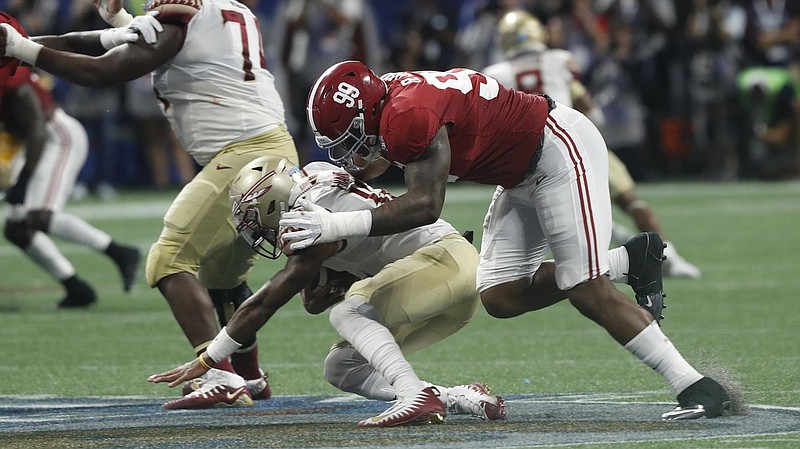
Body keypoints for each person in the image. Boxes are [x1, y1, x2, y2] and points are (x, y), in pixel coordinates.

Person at [280, 59, 733, 422]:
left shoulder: (407, 114)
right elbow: (382, 159)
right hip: (519, 171)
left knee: (586, 288)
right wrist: (347, 178)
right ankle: (630, 259)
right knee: (500, 295)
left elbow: (423, 206)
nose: (348, 150)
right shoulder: (392, 99)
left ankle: (695, 386)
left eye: (349, 137)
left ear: (368, 113)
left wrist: (334, 225)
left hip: (556, 151)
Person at [0, 0, 299, 407]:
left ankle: (217, 373)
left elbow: (102, 70)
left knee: (168, 262)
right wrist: (114, 24)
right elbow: (143, 42)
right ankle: (250, 377)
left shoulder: (182, 12)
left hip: (246, 155)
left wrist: (23, 50)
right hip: (272, 150)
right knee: (222, 279)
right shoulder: (226, 9)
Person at [149, 155, 507, 426]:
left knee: (349, 311)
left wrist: (210, 357)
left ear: (274, 200)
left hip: (445, 260)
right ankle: (457, 397)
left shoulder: (316, 207)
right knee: (341, 367)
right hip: (440, 285)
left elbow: (271, 298)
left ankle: (415, 397)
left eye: (257, 216)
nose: (258, 230)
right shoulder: (315, 186)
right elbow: (313, 301)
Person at [482, 10, 701, 279]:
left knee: (552, 223)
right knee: (630, 201)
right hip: (573, 143)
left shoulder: (493, 75)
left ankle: (597, 261)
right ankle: (669, 257)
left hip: (524, 160)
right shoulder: (559, 60)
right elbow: (592, 111)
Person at [0, 14, 140, 308]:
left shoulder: (10, 75)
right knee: (16, 227)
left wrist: (22, 183)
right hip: (30, 141)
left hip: (55, 136)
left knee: (39, 215)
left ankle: (120, 252)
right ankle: (75, 287)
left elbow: (37, 127)